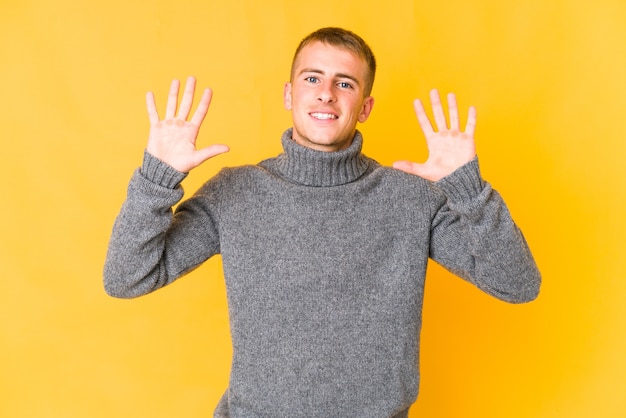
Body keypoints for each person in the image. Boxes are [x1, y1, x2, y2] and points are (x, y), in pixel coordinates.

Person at [104, 27, 541, 418]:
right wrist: (156, 178)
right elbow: (126, 278)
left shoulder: (411, 198)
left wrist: (469, 189)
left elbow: (518, 284)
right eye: (311, 78)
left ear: (365, 106)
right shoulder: (234, 192)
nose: (326, 93)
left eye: (344, 83)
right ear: (289, 95)